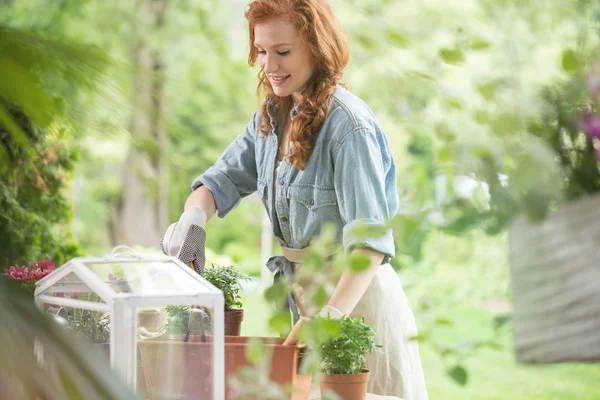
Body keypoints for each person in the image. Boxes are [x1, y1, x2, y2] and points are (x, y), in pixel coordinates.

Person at [160, 0, 428, 398]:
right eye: (262, 51)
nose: (270, 65)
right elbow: (218, 182)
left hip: (356, 306)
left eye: (283, 52)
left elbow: (369, 246)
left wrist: (329, 318)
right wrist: (193, 222)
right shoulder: (272, 117)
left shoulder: (349, 127)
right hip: (304, 303)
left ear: (317, 48)